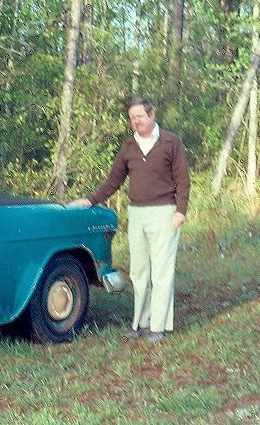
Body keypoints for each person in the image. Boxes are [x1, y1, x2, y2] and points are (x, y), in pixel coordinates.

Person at [69, 98, 190, 343]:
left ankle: (158, 327)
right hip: (137, 214)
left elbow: (182, 179)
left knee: (161, 272)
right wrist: (91, 200)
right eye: (132, 118)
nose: (135, 121)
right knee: (139, 271)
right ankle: (140, 324)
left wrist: (180, 211)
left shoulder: (171, 142)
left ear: (152, 115)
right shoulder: (129, 146)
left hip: (165, 213)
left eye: (139, 117)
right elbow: (114, 180)